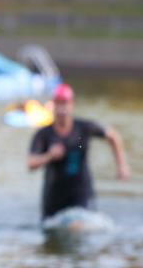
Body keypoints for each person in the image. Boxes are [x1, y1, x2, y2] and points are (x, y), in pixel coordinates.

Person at [27, 83, 130, 221]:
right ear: (53, 105)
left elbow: (113, 136)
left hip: (81, 193)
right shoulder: (44, 134)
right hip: (54, 197)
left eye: (65, 104)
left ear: (72, 104)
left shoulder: (83, 129)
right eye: (58, 104)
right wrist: (49, 156)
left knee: (79, 225)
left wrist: (122, 166)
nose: (62, 109)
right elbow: (31, 163)